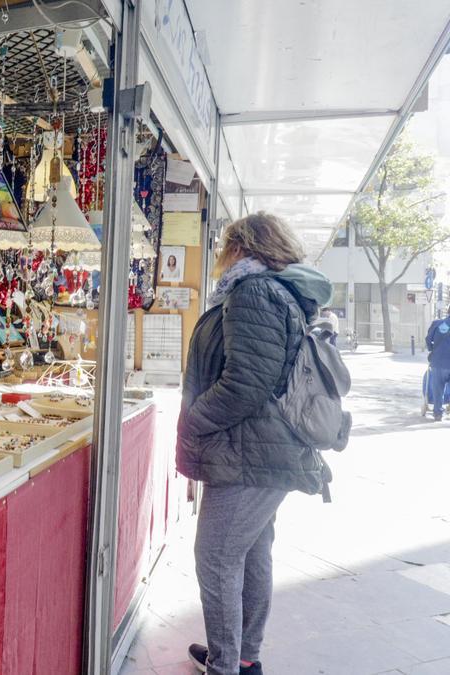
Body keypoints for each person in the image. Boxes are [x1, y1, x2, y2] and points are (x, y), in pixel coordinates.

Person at [178, 213, 333, 675]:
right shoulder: (272, 291)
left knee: (217, 556)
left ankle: (227, 666)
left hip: (248, 453)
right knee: (249, 551)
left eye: (226, 246)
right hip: (261, 449)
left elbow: (246, 383)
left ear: (242, 247)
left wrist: (195, 420)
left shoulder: (254, 293)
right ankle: (242, 656)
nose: (221, 256)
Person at [425, 313, 450, 421]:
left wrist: (433, 350)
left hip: (438, 361)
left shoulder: (437, 324)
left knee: (438, 388)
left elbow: (428, 340)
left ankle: (438, 413)